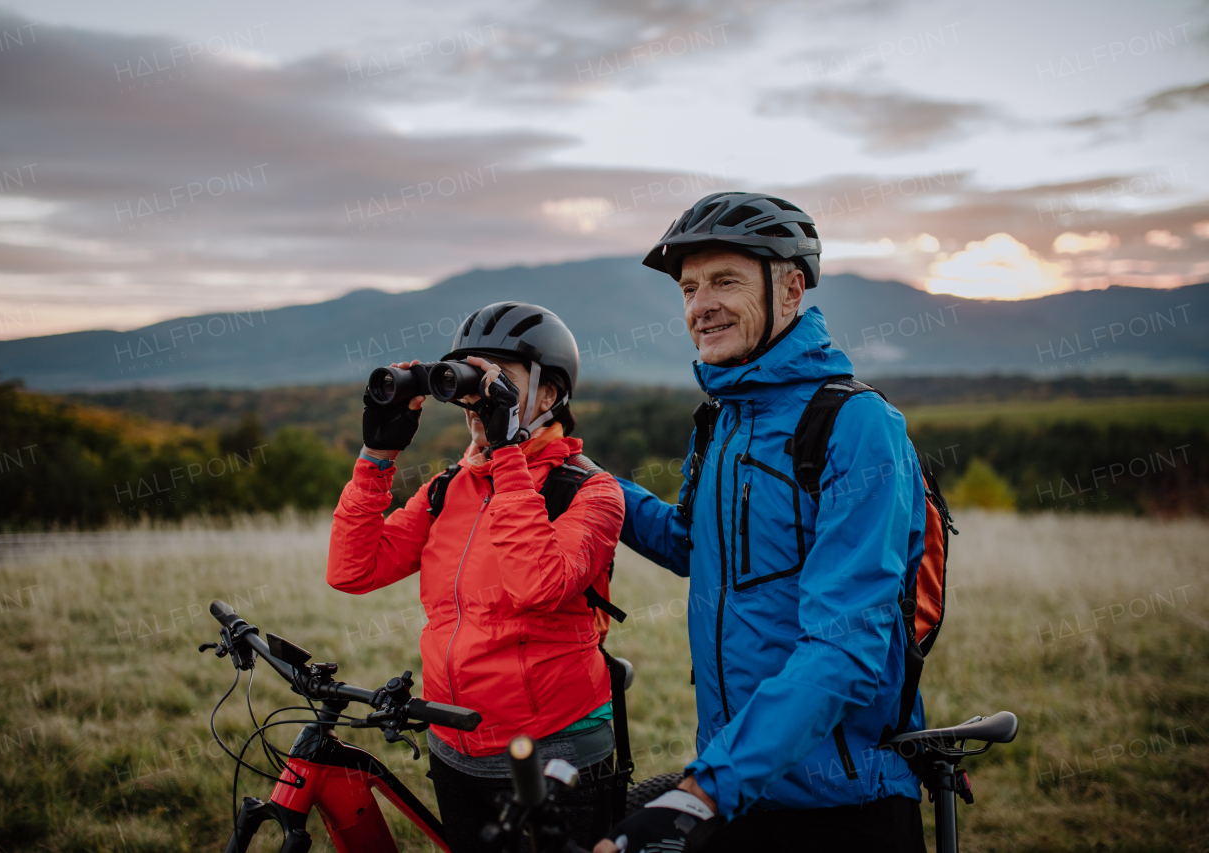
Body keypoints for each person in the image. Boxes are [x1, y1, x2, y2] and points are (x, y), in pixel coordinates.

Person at [596, 193, 928, 853]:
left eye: (724, 281)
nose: (700, 305)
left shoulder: (855, 426)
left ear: (791, 288)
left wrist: (702, 791)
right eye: (690, 288)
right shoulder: (721, 419)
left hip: (838, 803)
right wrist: (591, 482)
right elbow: (694, 544)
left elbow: (844, 646)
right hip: (734, 786)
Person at [326, 302, 625, 853]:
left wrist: (508, 453)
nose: (479, 397)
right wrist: (376, 458)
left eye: (501, 381)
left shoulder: (590, 492)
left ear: (549, 394)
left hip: (552, 752)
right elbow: (353, 570)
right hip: (454, 743)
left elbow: (537, 587)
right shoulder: (448, 488)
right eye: (470, 377)